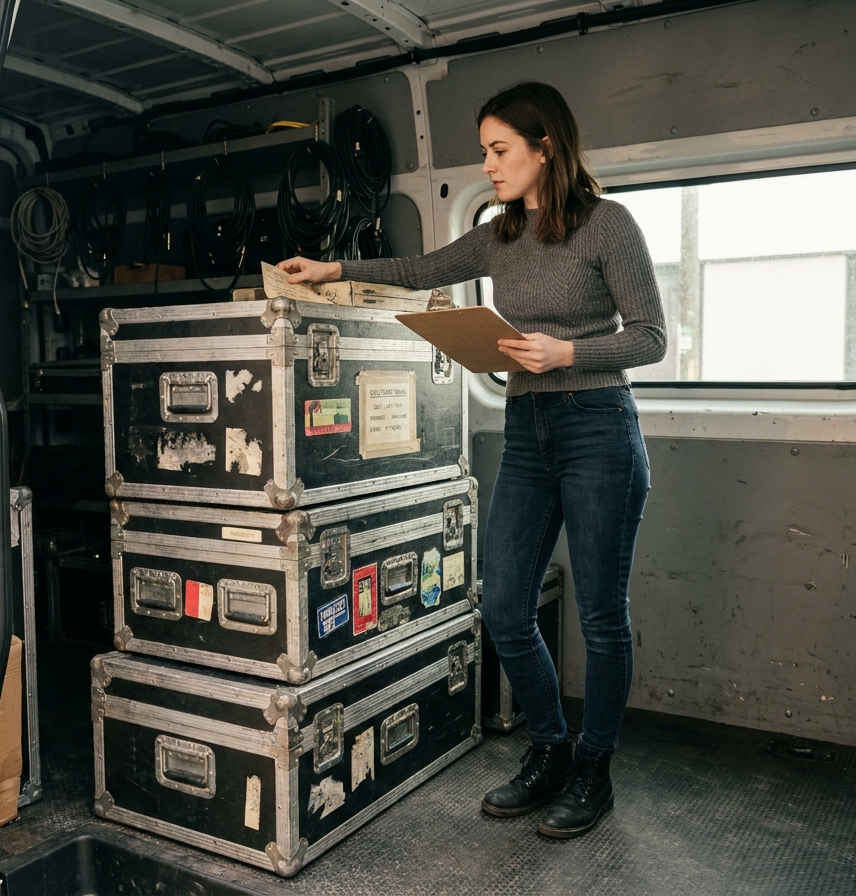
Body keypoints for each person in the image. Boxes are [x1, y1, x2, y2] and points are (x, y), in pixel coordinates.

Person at [278, 81, 665, 839]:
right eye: (484, 152)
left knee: (600, 616)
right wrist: (332, 273)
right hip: (528, 429)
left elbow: (651, 337)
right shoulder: (496, 235)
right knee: (501, 607)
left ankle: (594, 767)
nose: (488, 166)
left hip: (598, 429)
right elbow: (423, 270)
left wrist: (568, 351)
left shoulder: (608, 225)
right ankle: (550, 748)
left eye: (499, 150)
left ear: (544, 148)